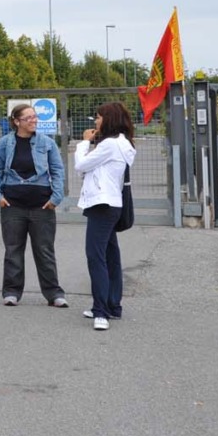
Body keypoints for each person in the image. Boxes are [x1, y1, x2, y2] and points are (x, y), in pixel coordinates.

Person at [0, 103, 68, 308]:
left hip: (42, 206)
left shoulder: (47, 143)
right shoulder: (4, 144)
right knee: (13, 250)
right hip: (12, 206)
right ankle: (11, 292)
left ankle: (54, 293)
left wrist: (56, 198)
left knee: (45, 250)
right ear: (16, 122)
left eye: (35, 117)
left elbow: (58, 170)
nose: (34, 121)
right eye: (28, 118)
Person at [75, 102, 137, 332]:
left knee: (95, 257)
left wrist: (84, 142)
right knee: (110, 255)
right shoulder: (125, 143)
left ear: (108, 119)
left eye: (99, 117)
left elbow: (80, 165)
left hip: (101, 204)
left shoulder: (110, 144)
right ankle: (112, 305)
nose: (96, 122)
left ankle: (101, 311)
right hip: (112, 204)